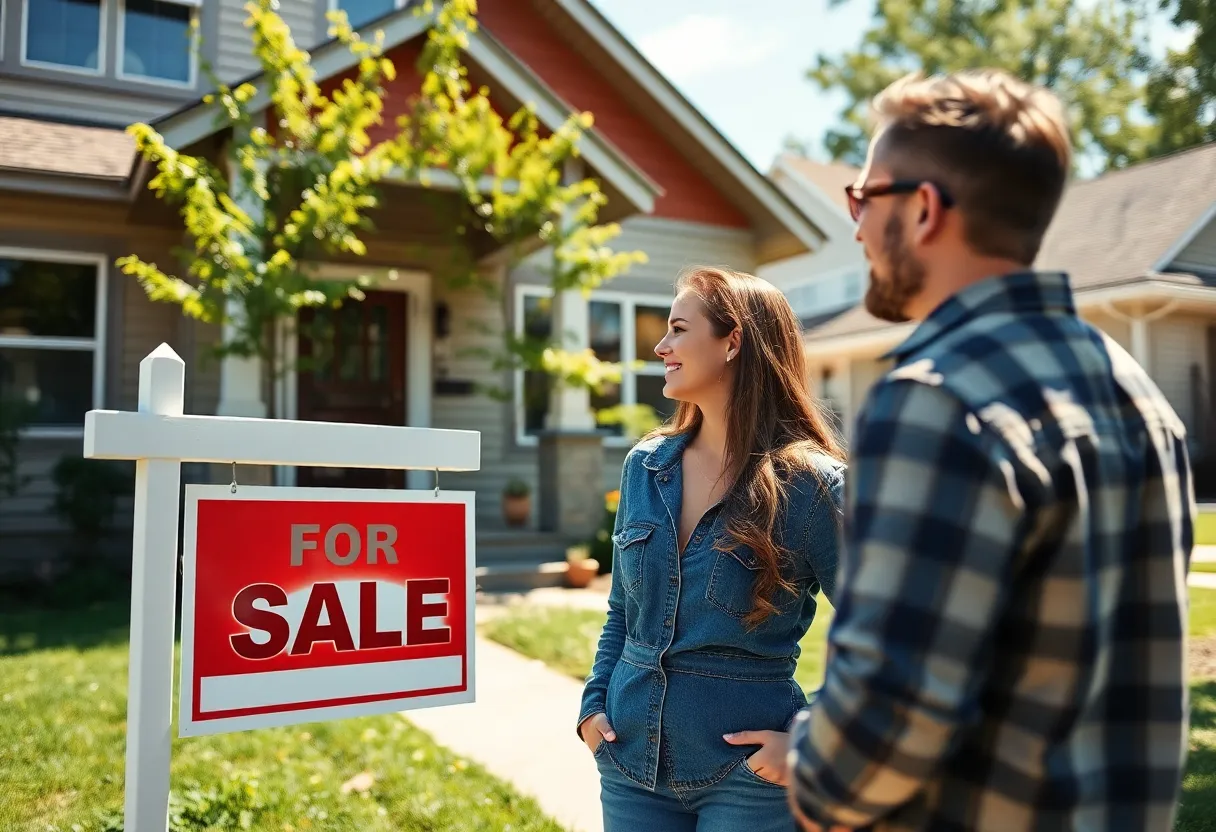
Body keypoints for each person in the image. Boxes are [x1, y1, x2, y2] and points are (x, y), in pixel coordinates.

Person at [786, 68, 1196, 831]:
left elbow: (882, 730)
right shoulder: (1139, 395)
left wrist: (809, 774)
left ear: (924, 209)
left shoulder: (935, 400)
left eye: (864, 198)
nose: (856, 227)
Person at [575, 266, 847, 831]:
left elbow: (886, 635)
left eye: (678, 328)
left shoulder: (813, 486)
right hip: (628, 763)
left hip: (747, 779)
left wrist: (807, 737)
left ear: (732, 342)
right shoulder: (646, 467)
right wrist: (593, 705)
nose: (660, 345)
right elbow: (624, 612)